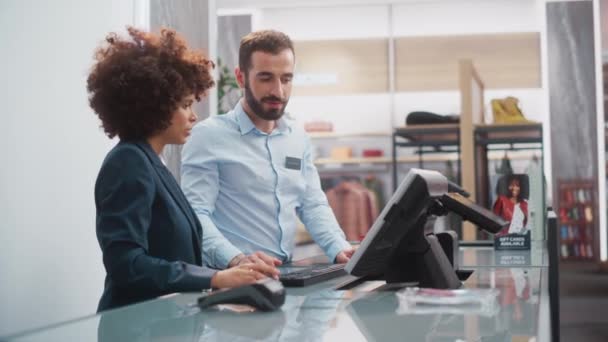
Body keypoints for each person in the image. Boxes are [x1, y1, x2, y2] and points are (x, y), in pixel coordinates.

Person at [87, 27, 278, 312]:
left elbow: (172, 251)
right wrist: (215, 278)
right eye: (186, 105)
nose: (193, 116)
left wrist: (235, 264)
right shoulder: (128, 162)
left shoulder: (152, 162)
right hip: (135, 328)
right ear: (156, 106)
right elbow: (126, 264)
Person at [181, 30, 354, 270]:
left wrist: (339, 248)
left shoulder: (297, 137)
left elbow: (311, 203)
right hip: (230, 278)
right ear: (241, 78)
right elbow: (195, 214)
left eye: (286, 79)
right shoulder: (208, 136)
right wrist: (237, 259)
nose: (278, 91)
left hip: (285, 278)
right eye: (265, 78)